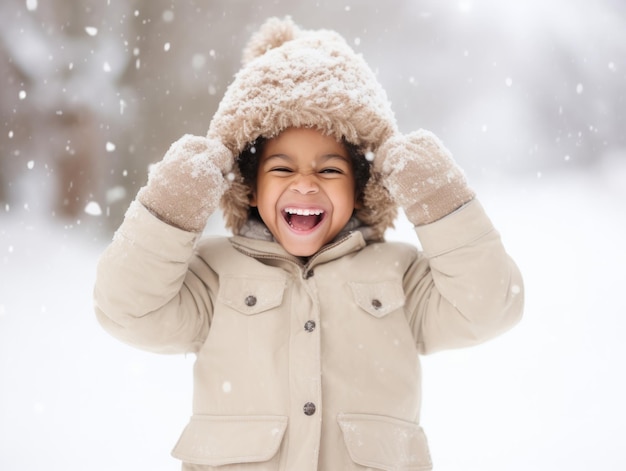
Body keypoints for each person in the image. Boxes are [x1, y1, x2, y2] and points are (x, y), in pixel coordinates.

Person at [94, 16, 524, 471]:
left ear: (360, 187)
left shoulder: (401, 274)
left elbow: (491, 306)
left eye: (329, 170)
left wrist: (438, 196)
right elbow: (125, 310)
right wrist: (171, 204)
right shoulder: (212, 274)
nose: (304, 184)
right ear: (250, 188)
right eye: (281, 168)